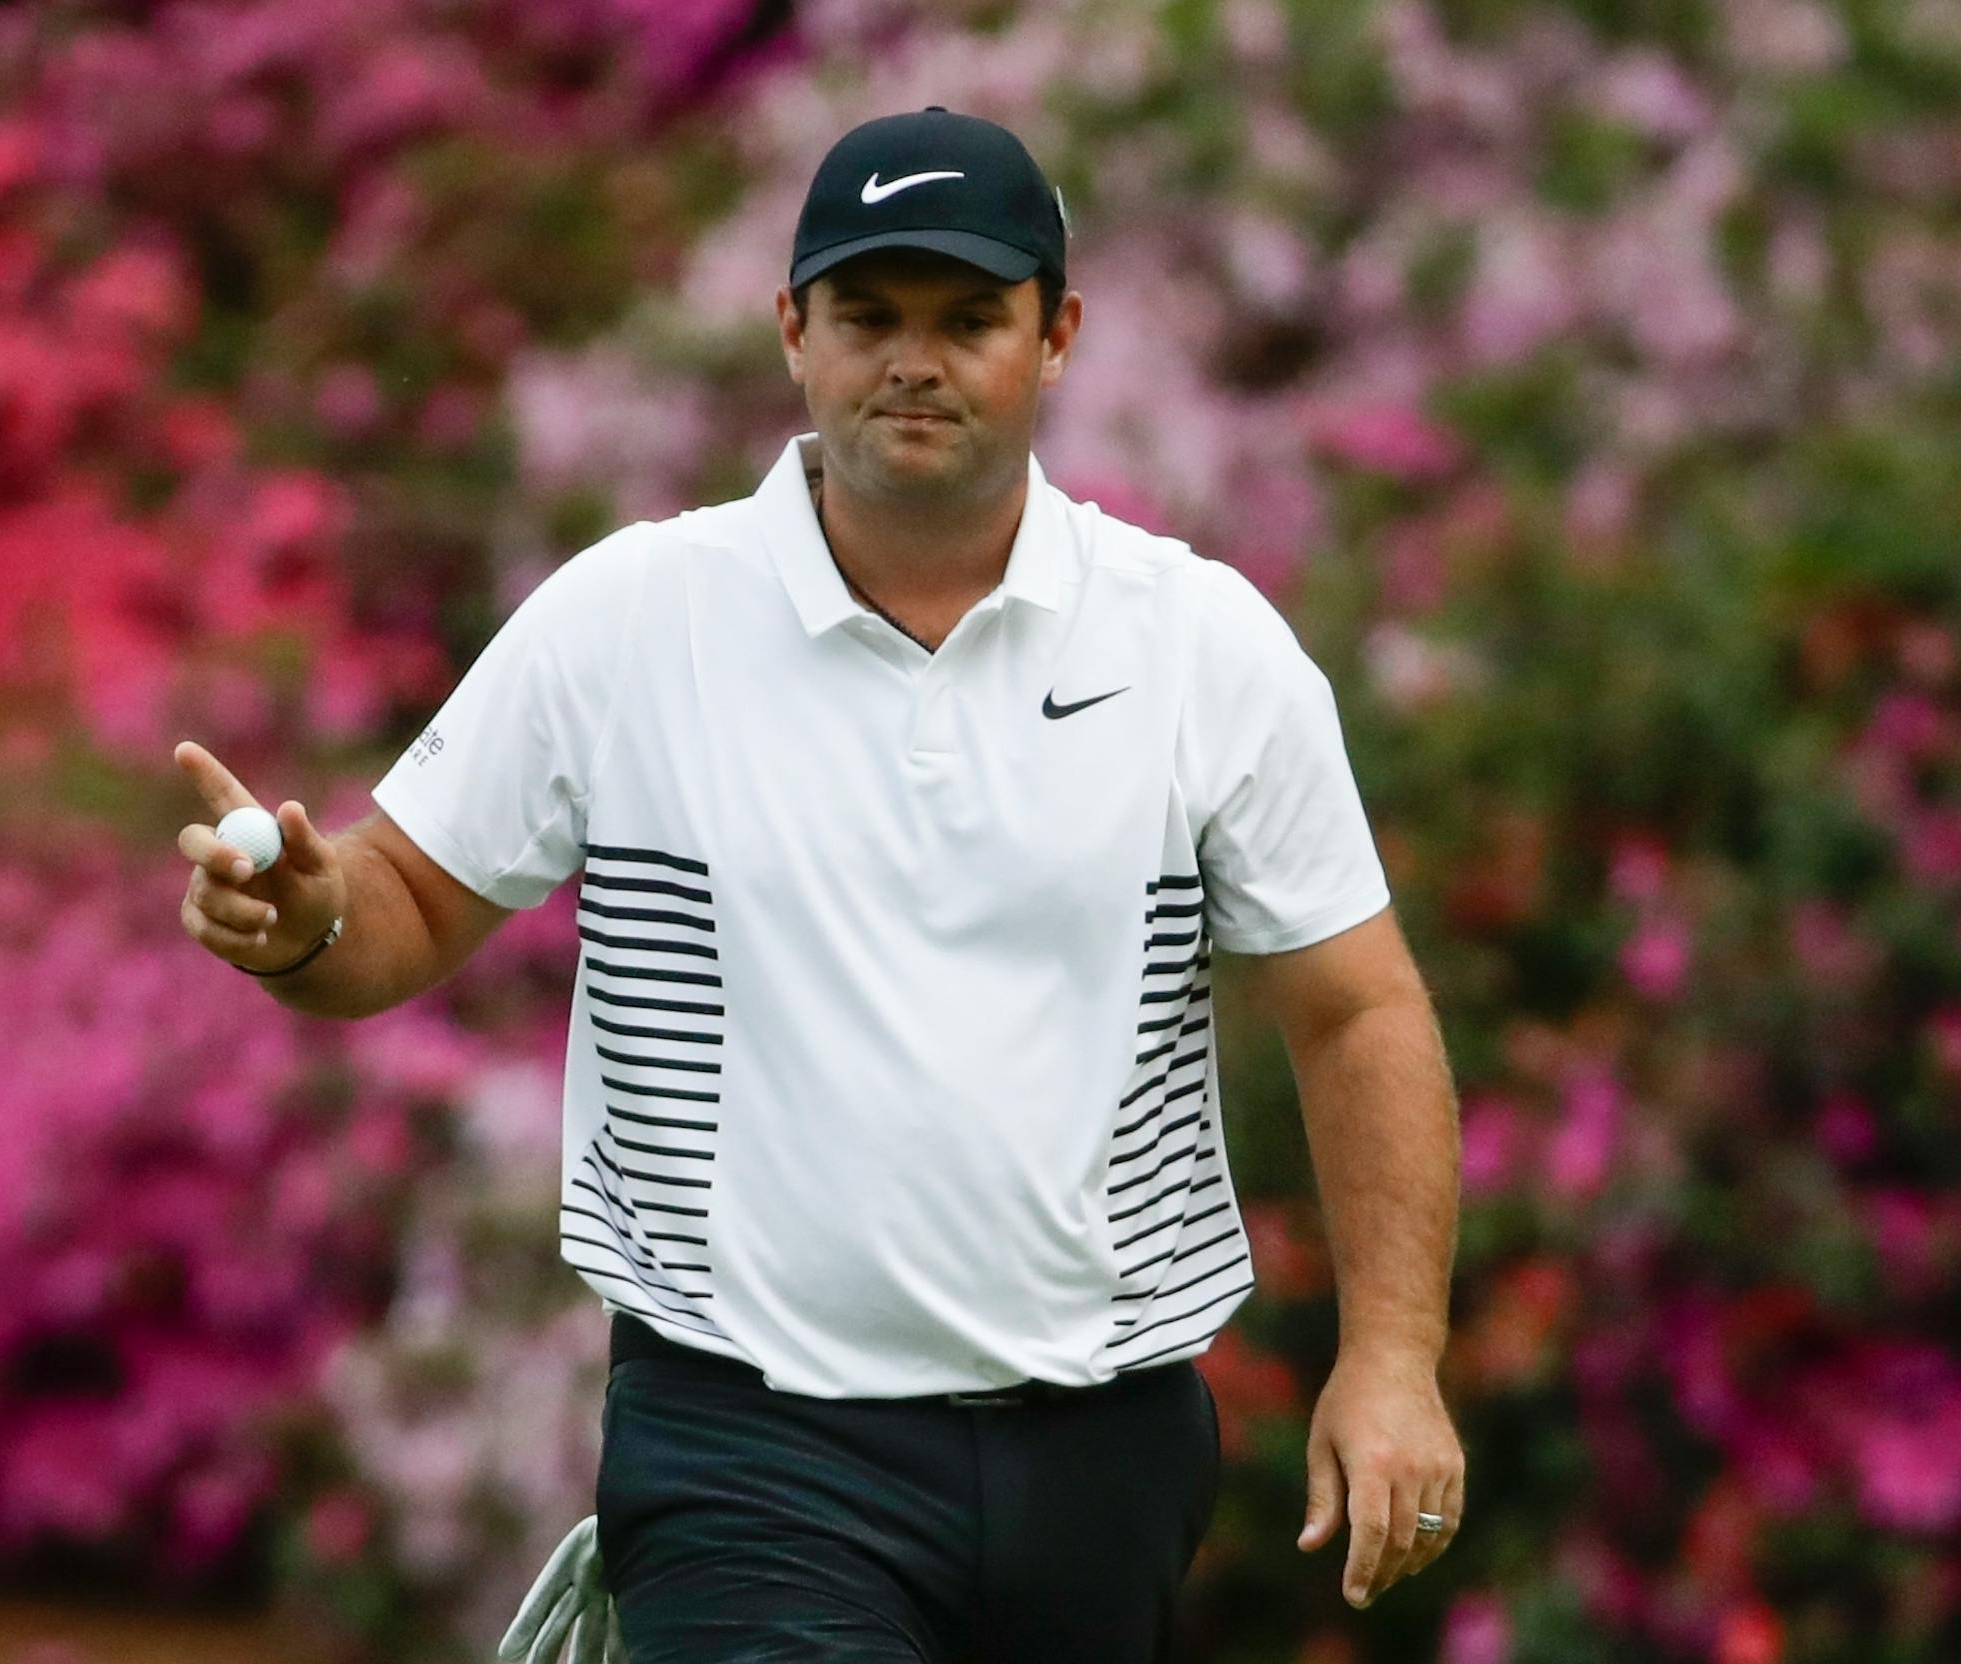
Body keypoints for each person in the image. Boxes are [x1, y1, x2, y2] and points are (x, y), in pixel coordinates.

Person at [175, 106, 1464, 1663]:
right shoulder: (634, 617)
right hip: (751, 1446)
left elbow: (1356, 1008)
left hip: (1104, 1445)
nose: (912, 360)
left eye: (967, 319)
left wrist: (1393, 1359)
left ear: (1055, 338)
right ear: (794, 331)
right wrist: (302, 920)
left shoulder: (1199, 643)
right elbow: (405, 898)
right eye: (867, 316)